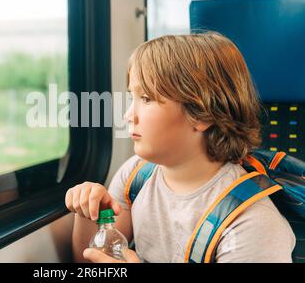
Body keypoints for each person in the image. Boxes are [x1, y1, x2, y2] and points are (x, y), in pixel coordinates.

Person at [65, 32, 296, 263]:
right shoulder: (135, 176)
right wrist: (89, 211)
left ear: (202, 114)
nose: (128, 115)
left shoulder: (253, 223)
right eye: (131, 98)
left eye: (146, 98)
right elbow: (89, 263)